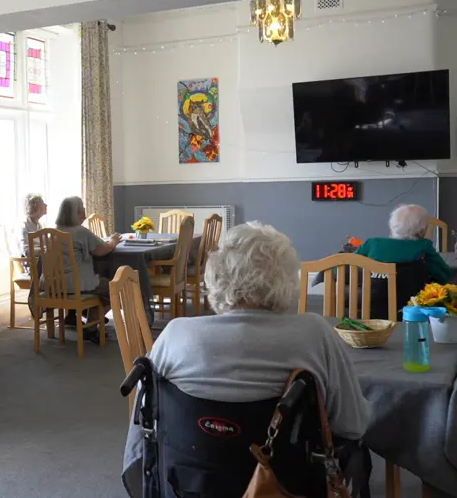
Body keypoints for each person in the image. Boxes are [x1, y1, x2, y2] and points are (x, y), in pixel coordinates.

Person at [123, 222, 370, 494]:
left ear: (216, 275)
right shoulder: (315, 334)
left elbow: (144, 424)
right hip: (287, 488)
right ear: (287, 280)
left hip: (188, 486)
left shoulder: (175, 334)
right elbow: (352, 425)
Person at [53, 197, 121, 335]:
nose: (84, 211)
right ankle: (91, 327)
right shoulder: (80, 232)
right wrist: (114, 241)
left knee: (97, 284)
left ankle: (77, 316)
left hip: (55, 283)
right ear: (77, 213)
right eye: (82, 209)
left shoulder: (54, 231)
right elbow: (103, 250)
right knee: (115, 288)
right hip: (77, 284)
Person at [354, 204, 449, 284]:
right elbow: (444, 276)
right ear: (421, 231)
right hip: (411, 300)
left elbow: (347, 267)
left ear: (392, 226)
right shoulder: (424, 246)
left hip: (371, 299)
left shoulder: (371, 243)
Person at [17, 193, 47, 259]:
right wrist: (44, 250)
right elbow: (26, 251)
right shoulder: (23, 226)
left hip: (40, 260)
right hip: (28, 262)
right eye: (42, 203)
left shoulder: (39, 225)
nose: (46, 205)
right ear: (34, 207)